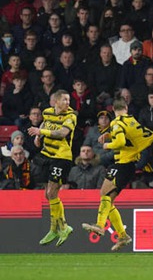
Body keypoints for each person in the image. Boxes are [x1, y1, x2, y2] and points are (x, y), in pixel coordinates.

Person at [81, 97, 153, 251]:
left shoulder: (116, 122)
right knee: (107, 197)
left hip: (123, 164)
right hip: (124, 165)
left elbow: (121, 141)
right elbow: (130, 136)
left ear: (113, 111)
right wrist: (108, 135)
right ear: (126, 108)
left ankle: (101, 226)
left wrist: (107, 144)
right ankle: (122, 235)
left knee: (106, 195)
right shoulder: (132, 121)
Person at [27, 90, 76, 247]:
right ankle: (55, 229)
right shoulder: (47, 112)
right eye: (64, 100)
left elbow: (62, 133)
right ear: (55, 102)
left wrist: (40, 131)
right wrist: (37, 136)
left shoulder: (71, 116)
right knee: (48, 195)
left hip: (61, 157)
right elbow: (44, 123)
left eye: (68, 100)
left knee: (52, 192)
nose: (68, 103)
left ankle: (62, 226)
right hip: (47, 155)